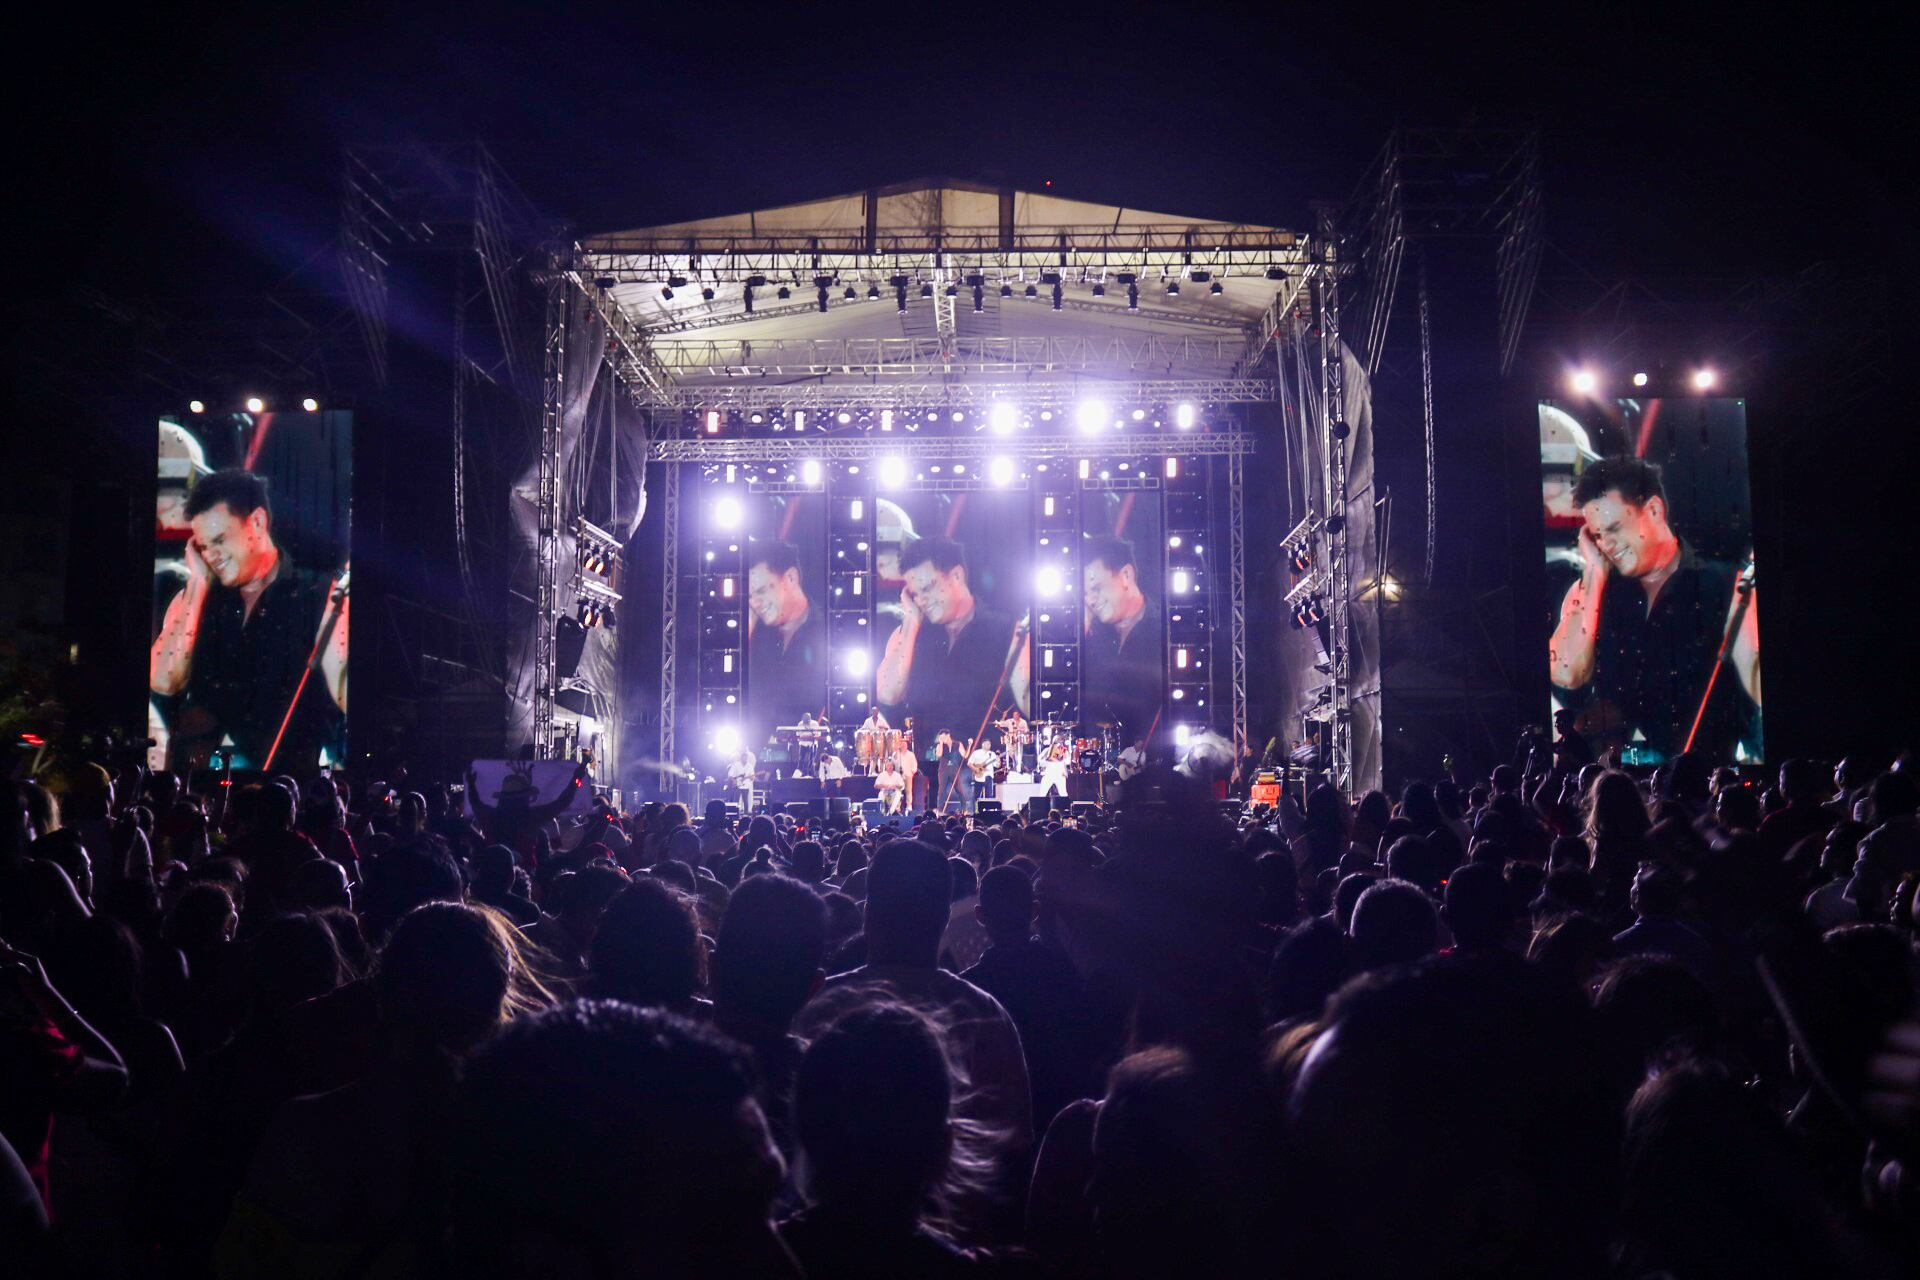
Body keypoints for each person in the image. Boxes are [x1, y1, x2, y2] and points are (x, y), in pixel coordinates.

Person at [1549, 456, 1759, 759]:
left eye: (1615, 528)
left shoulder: (1726, 586)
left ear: (1654, 510)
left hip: (1701, 782)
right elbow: (1565, 674)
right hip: (1613, 782)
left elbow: (1758, 689)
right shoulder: (1592, 589)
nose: (1607, 544)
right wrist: (1594, 574)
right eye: (1597, 535)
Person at [148, 468, 348, 770]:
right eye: (202, 546)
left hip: (282, 787)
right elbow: (163, 680)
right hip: (196, 787)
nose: (210, 554)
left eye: (219, 540)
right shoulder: (195, 596)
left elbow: (345, 688)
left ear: (257, 522)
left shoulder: (320, 596)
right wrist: (198, 585)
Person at [876, 536, 1030, 740]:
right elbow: (887, 694)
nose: (921, 601)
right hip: (923, 769)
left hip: (987, 766)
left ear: (957, 576)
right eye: (914, 594)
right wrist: (911, 621)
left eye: (927, 588)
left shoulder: (1009, 633)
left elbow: (1032, 705)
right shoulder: (908, 635)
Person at [1080, 534, 1163, 746]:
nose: (1090, 600)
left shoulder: (1165, 634)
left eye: (1096, 588)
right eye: (1085, 594)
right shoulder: (1090, 641)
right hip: (1098, 762)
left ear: (1126, 575)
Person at [747, 540, 827, 735]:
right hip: (754, 752)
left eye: (762, 591)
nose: (755, 603)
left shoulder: (828, 630)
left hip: (809, 748)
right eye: (749, 596)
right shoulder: (756, 635)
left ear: (791, 578)